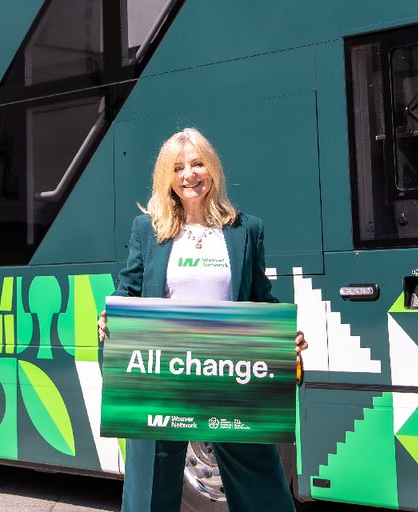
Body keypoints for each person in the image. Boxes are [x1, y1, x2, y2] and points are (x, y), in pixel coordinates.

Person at [98, 127, 306, 512]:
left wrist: (282, 339)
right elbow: (128, 290)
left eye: (197, 164)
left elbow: (260, 298)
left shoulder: (246, 229)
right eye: (177, 168)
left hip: (229, 376)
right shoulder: (148, 229)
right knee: (148, 494)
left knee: (264, 490)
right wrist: (111, 318)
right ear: (167, 177)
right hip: (162, 375)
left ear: (212, 169)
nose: (188, 175)